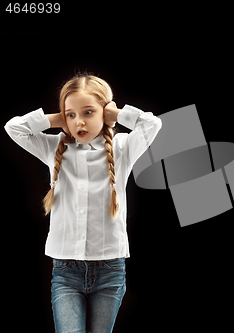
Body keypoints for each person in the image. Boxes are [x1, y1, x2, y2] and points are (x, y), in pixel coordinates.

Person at [5, 74, 162, 333]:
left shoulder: (122, 148)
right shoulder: (54, 147)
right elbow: (14, 128)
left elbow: (152, 124)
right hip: (66, 271)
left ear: (105, 111)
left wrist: (117, 113)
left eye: (88, 112)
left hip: (110, 269)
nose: (80, 121)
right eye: (72, 115)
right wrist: (56, 118)